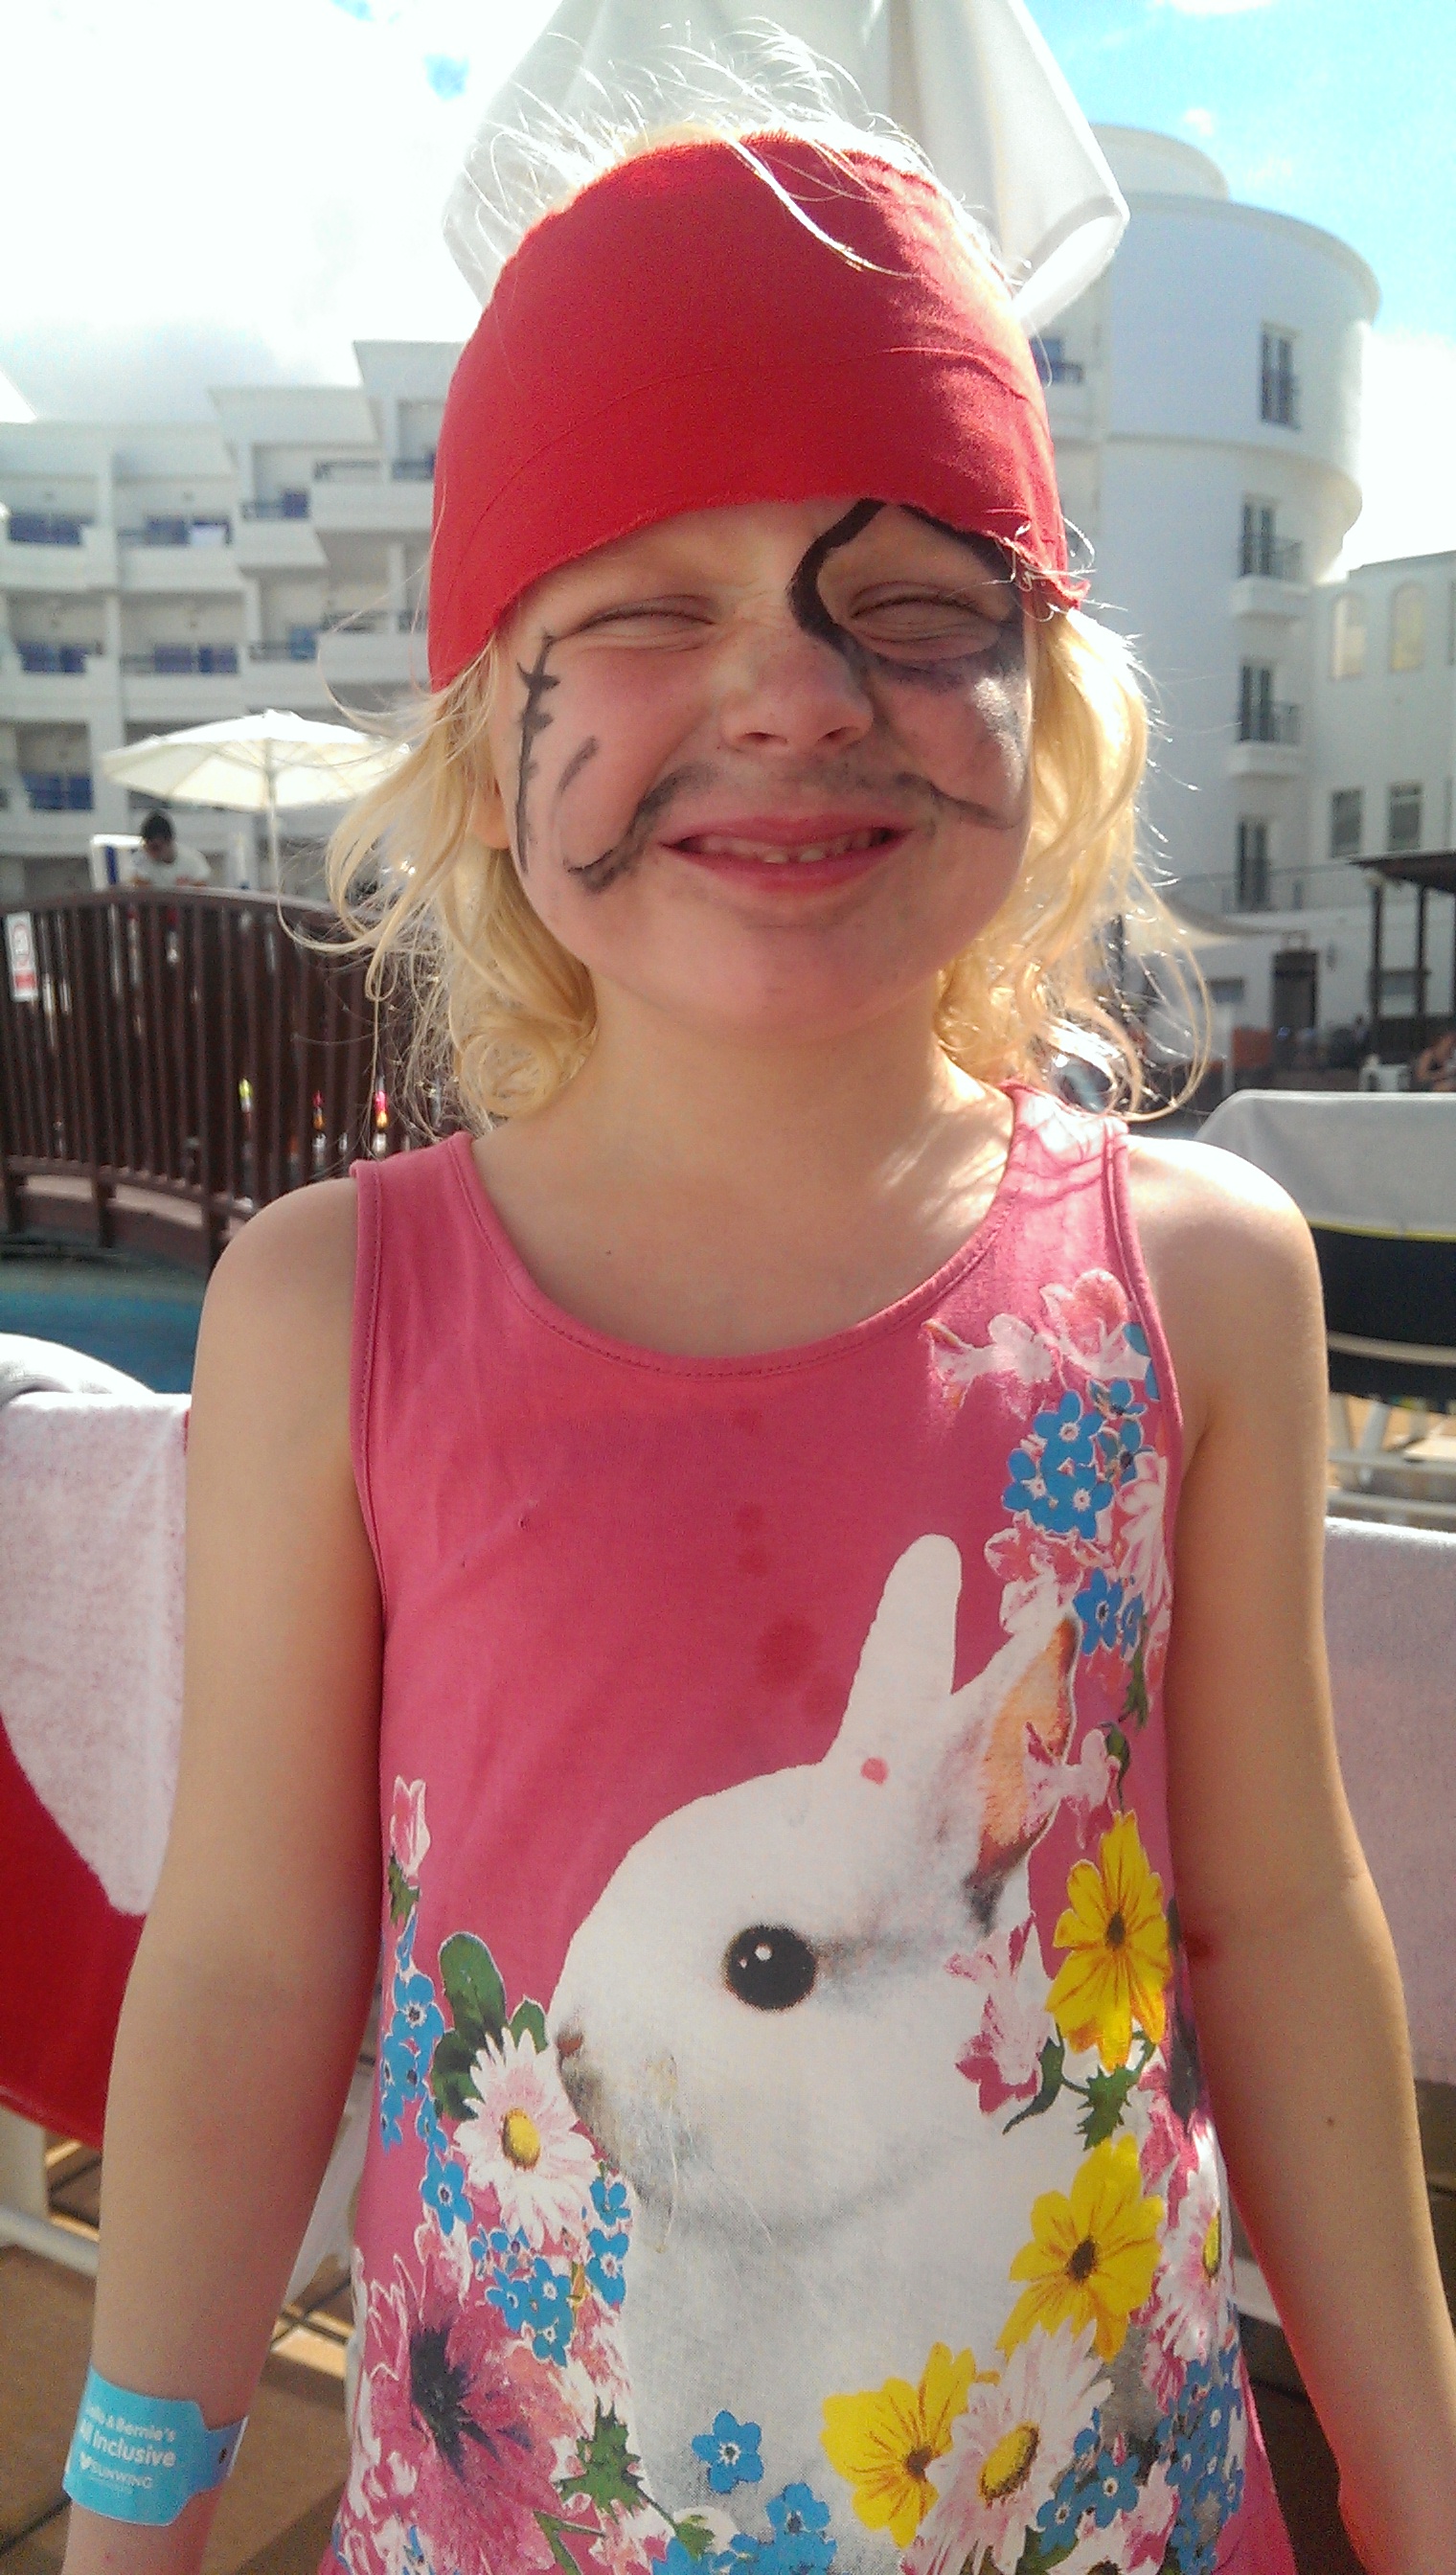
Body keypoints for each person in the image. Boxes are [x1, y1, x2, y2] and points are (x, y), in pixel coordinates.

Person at [62, 116, 1456, 2575]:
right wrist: (134, 2503)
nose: (794, 691)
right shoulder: (335, 1309)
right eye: (645, 607)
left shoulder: (1201, 1281)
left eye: (906, 602)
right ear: (485, 742)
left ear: (1050, 705)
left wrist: (1420, 2470)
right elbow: (258, 1974)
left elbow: (1269, 1920)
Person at [124, 811, 212, 888]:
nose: (151, 853)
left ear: (169, 841)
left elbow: (201, 888)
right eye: (147, 847)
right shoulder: (141, 859)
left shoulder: (192, 859)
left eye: (155, 847)